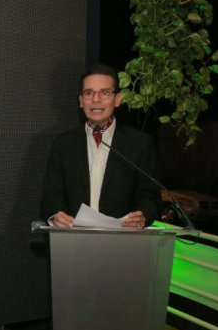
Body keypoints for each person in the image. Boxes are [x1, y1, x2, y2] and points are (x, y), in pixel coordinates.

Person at [40, 64, 160, 228]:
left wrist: (142, 216)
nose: (96, 99)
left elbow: (150, 196)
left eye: (105, 92)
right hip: (73, 237)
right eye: (89, 93)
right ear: (81, 101)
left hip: (123, 238)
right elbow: (51, 195)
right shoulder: (63, 143)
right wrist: (55, 215)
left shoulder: (140, 143)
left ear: (117, 99)